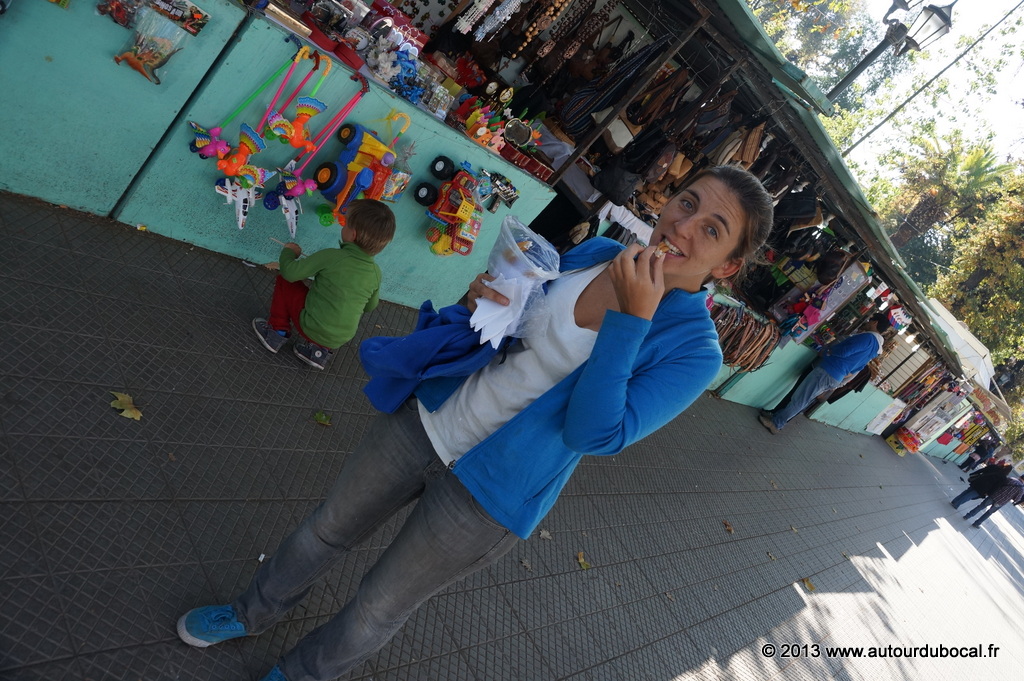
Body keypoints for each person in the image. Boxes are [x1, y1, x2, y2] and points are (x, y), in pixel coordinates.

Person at [176, 166, 774, 681]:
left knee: (379, 606)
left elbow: (595, 434)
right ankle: (250, 612)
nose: (684, 226)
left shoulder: (695, 351)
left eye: (712, 229)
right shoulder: (597, 252)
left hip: (492, 493)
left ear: (728, 266)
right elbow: (516, 326)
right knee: (325, 530)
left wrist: (632, 320)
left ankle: (301, 673)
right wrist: (482, 302)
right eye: (687, 203)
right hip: (432, 418)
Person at [251, 199, 396, 370]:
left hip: (310, 327)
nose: (343, 226)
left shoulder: (332, 256)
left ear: (353, 234)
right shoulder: (376, 273)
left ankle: (276, 332)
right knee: (332, 312)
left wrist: (289, 252)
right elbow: (370, 306)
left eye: (345, 223)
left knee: (285, 280)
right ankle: (318, 353)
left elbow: (290, 273)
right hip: (339, 338)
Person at [758, 312, 890, 434]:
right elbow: (857, 368)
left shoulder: (868, 338)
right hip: (836, 376)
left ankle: (776, 423)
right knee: (802, 399)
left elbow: (844, 351)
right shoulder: (876, 348)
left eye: (870, 320)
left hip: (828, 370)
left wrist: (829, 351)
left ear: (875, 323)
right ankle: (776, 418)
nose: (867, 322)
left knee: (799, 399)